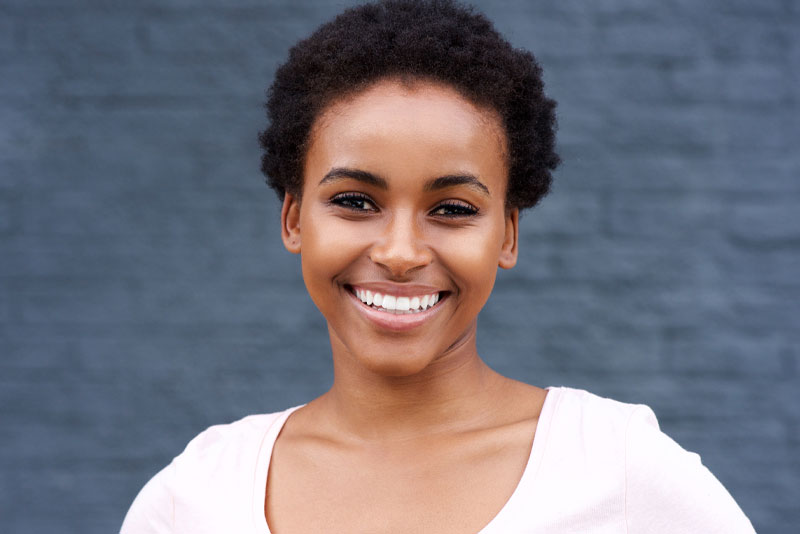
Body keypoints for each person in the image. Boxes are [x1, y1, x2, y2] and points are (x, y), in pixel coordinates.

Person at [121, 1, 755, 532]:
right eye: (353, 201)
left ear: (507, 234)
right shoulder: (196, 498)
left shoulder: (619, 472)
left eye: (451, 208)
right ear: (292, 220)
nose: (400, 252)